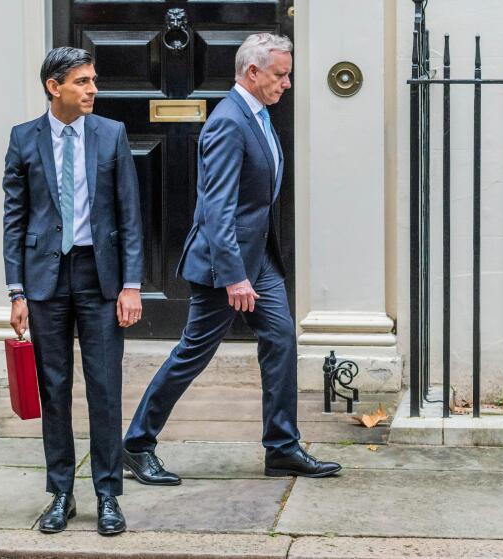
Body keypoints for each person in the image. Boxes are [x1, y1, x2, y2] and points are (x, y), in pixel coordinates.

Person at [122, 33, 341, 484]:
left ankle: (281, 447)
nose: (287, 83)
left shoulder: (258, 114)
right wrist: (235, 277)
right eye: (280, 75)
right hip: (228, 266)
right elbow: (216, 209)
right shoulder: (228, 122)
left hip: (259, 257)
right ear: (252, 72)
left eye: (288, 74)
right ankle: (136, 444)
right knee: (193, 353)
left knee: (281, 342)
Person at [3, 46, 143, 534]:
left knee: (104, 388)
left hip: (98, 276)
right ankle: (61, 491)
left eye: (93, 81)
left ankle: (108, 494)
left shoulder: (111, 135)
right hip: (44, 280)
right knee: (54, 388)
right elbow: (15, 220)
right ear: (53, 86)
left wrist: (131, 284)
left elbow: (129, 214)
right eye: (83, 81)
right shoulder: (24, 138)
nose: (92, 90)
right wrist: (16, 291)